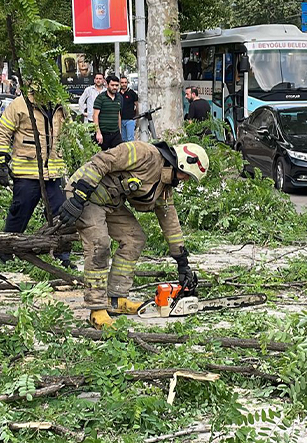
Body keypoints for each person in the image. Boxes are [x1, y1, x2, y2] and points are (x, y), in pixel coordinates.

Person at [56, 140, 209, 329]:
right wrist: (78, 196)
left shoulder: (164, 186)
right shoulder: (143, 154)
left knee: (134, 238)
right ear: (182, 164)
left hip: (110, 202)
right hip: (86, 194)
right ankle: (96, 309)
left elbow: (170, 222)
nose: (185, 180)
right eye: (186, 176)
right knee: (100, 244)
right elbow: (102, 160)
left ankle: (117, 298)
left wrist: (182, 262)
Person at [0, 84, 71, 266]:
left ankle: (62, 255)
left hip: (54, 172)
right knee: (20, 212)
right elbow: (3, 132)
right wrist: (1, 163)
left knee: (61, 214)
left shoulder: (60, 106)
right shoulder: (20, 105)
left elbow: (67, 134)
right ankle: (6, 252)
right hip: (27, 171)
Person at [92, 73, 124, 150]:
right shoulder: (100, 98)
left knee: (119, 154)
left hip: (115, 134)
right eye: (112, 85)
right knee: (102, 157)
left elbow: (118, 115)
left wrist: (119, 131)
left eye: (116, 85)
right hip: (103, 133)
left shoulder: (119, 98)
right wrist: (98, 133)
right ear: (107, 85)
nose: (115, 87)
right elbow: (95, 116)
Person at [119, 75, 139, 142]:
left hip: (130, 120)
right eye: (122, 82)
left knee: (130, 139)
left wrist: (136, 118)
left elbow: (137, 106)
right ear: (120, 83)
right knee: (123, 140)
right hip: (121, 120)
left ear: (127, 83)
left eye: (125, 82)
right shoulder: (117, 94)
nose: (124, 84)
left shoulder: (132, 93)